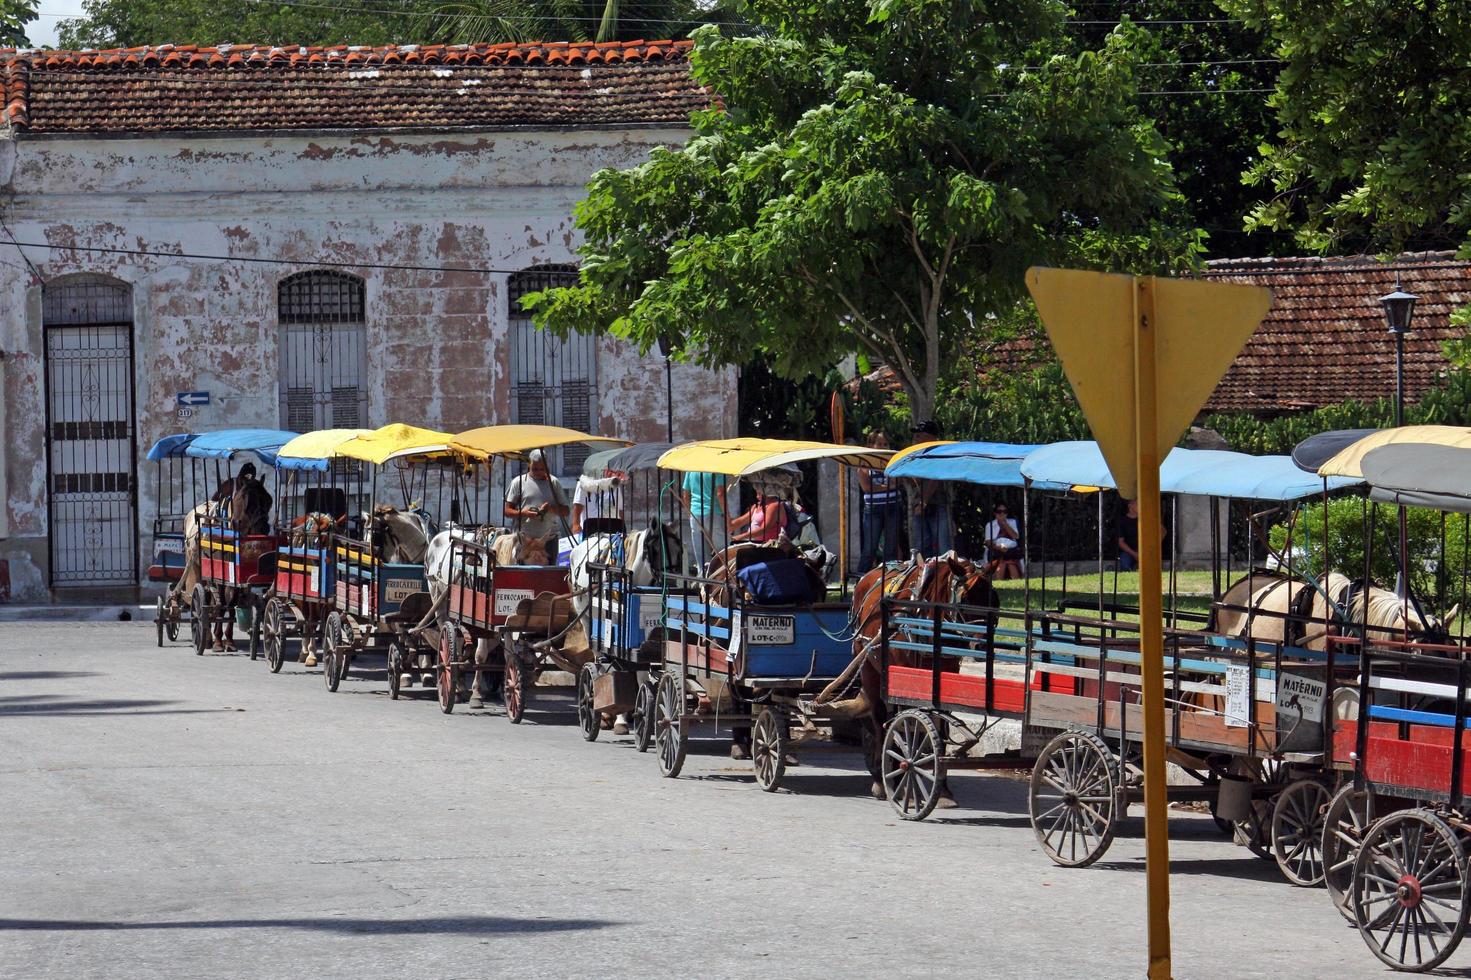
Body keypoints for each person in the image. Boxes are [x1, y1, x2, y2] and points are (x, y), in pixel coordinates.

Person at [504, 449, 570, 560]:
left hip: (548, 541)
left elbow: (566, 511)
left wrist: (550, 509)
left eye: (542, 469)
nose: (538, 472)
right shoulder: (518, 482)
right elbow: (507, 511)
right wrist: (524, 513)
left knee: (548, 576)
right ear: (529, 465)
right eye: (535, 469)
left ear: (547, 467)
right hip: (524, 541)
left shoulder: (554, 483)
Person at [904, 420, 952, 557]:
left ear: (931, 437)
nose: (916, 438)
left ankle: (947, 576)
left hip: (937, 504)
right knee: (922, 547)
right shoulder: (917, 455)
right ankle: (924, 577)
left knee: (944, 546)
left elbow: (935, 478)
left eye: (919, 435)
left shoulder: (940, 453)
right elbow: (915, 482)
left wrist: (923, 502)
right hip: (920, 505)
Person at [857, 431, 900, 573]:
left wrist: (879, 487)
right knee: (870, 548)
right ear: (871, 445)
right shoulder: (865, 463)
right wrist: (887, 486)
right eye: (879, 444)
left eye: (886, 444)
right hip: (873, 508)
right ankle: (860, 581)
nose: (883, 447)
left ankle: (890, 581)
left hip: (893, 506)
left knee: (891, 548)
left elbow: (896, 482)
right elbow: (867, 488)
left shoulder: (893, 462)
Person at [682, 470, 727, 574]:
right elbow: (720, 494)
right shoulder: (716, 468)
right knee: (723, 553)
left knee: (701, 558)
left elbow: (685, 495)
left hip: (695, 514)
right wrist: (727, 517)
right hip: (713, 513)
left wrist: (690, 515)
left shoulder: (691, 469)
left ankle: (704, 583)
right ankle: (723, 580)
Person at [984, 502, 1023, 580]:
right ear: (995, 513)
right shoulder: (990, 525)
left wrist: (1005, 524)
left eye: (1005, 511)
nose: (1002, 514)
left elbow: (1015, 536)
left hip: (1010, 549)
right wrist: (999, 547)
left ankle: (1017, 584)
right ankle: (1000, 582)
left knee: (1010, 562)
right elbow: (988, 542)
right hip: (996, 549)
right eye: (999, 512)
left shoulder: (1012, 522)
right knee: (1002, 562)